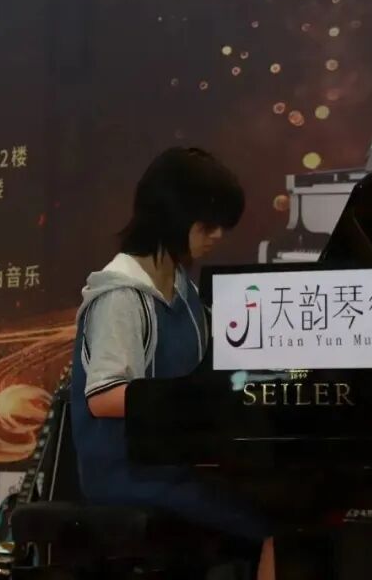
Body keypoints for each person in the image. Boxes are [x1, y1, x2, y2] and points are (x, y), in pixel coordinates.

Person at [69, 147, 276, 580]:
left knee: (282, 503)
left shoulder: (183, 290)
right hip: (126, 474)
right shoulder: (121, 295)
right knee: (273, 524)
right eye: (208, 224)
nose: (217, 235)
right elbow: (103, 397)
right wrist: (196, 401)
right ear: (173, 216)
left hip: (170, 464)